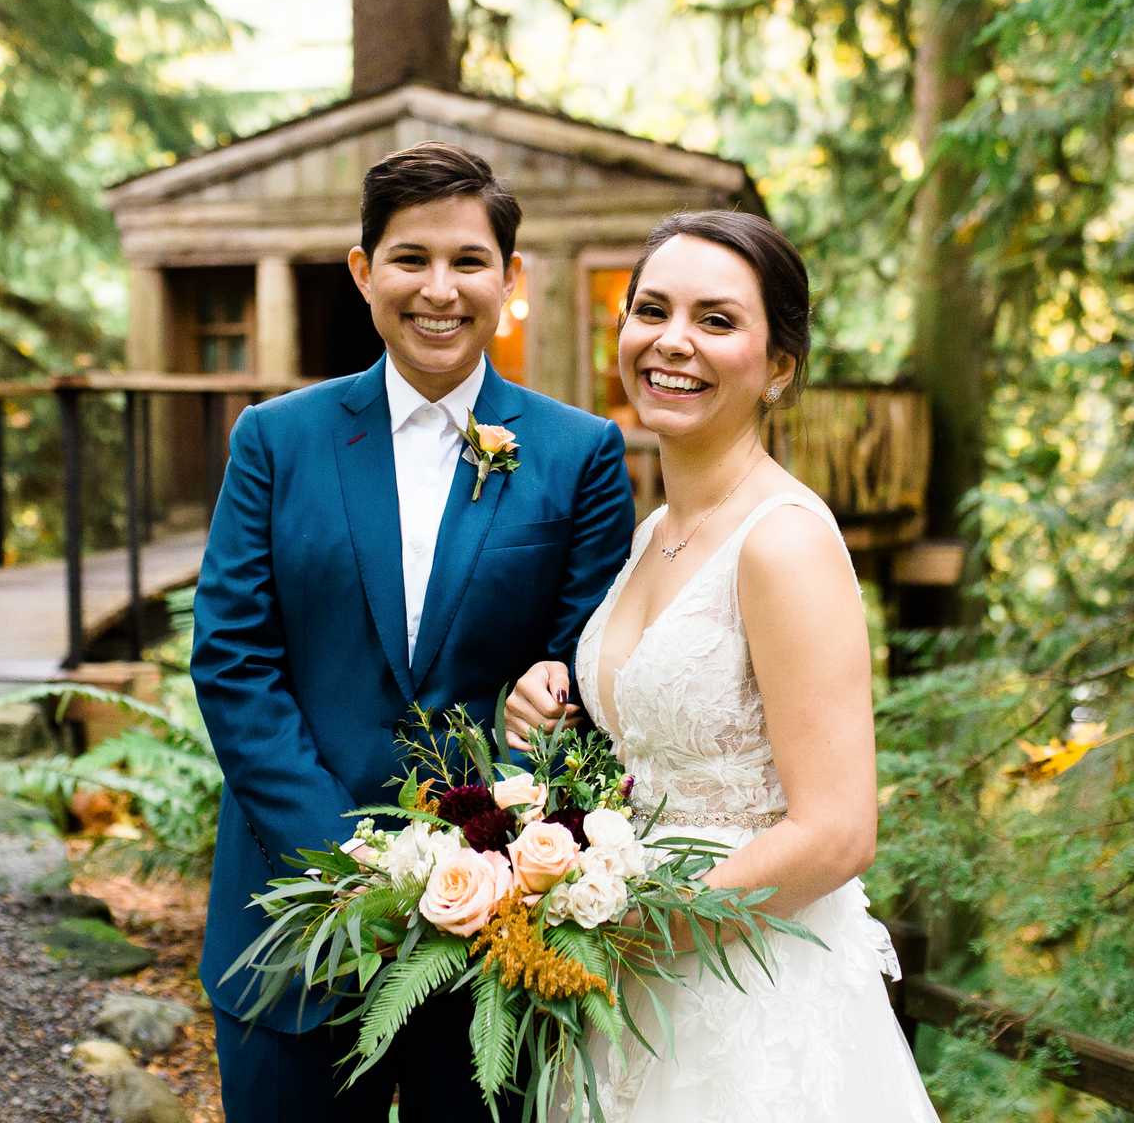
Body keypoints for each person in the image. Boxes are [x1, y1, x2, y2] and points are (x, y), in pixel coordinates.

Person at [191, 141, 637, 1123]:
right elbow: (231, 659)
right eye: (410, 258)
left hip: (503, 940)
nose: (440, 288)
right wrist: (342, 865)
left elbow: (590, 667)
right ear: (363, 272)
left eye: (469, 260)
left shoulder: (580, 455)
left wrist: (522, 786)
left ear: (508, 279)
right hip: (292, 925)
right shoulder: (275, 440)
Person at [505, 210, 939, 1121]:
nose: (673, 341)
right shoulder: (654, 535)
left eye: (716, 320)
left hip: (747, 997)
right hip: (629, 993)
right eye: (651, 310)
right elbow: (659, 745)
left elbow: (838, 831)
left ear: (778, 366)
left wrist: (630, 927)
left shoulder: (783, 542)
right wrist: (550, 700)